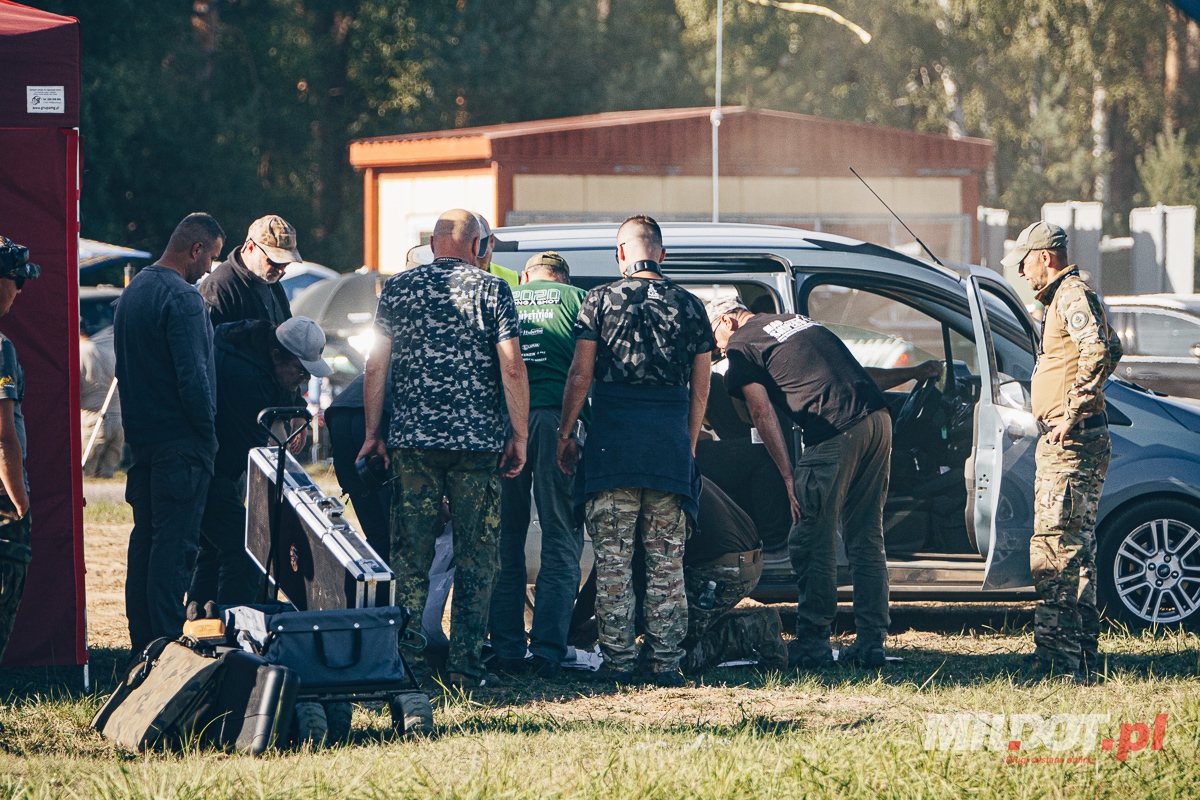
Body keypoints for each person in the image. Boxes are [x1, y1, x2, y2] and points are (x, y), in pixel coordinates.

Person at [706, 296, 940, 669]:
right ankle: (871, 644)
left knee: (812, 538)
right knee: (867, 538)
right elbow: (861, 374)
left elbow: (760, 411)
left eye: (713, 336)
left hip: (835, 431)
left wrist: (787, 475)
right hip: (878, 420)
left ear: (727, 321)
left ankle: (813, 643)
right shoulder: (800, 322)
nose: (716, 347)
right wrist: (912, 373)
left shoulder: (742, 342)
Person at [358, 208, 529, 690]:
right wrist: (519, 434)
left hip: (412, 443)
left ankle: (409, 666)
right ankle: (465, 667)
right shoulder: (493, 290)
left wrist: (373, 433)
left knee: (410, 558)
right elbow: (512, 366)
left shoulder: (397, 289)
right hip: (478, 445)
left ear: (433, 245)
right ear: (478, 246)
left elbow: (376, 365)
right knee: (478, 558)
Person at [557, 215, 713, 687]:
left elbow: (580, 375)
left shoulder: (598, 299)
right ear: (661, 254)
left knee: (613, 564)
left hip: (612, 449)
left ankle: (619, 663)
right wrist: (687, 444)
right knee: (666, 564)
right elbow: (701, 387)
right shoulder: (691, 305)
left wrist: (566, 432)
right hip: (668, 447)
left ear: (621, 253)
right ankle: (665, 664)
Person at [1003, 221, 1122, 681]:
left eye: (1024, 262)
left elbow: (1098, 351)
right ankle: (1080, 656)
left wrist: (1072, 411)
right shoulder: (1068, 297)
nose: (1022, 272)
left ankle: (1057, 661)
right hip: (1074, 439)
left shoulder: (1070, 294)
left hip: (1070, 441)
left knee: (1054, 552)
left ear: (1045, 257)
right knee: (1076, 552)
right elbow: (1113, 347)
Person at [115, 213, 224, 654]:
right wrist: (208, 435)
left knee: (144, 543)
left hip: (143, 441)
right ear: (195, 249)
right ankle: (164, 650)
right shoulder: (183, 298)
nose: (211, 269)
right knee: (174, 549)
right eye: (212, 257)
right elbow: (194, 378)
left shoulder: (133, 291)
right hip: (181, 444)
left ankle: (143, 644)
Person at [567, 478, 788, 675]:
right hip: (738, 559)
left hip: (721, 570)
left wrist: (576, 626)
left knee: (664, 662)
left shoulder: (629, 495)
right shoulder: (661, 471)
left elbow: (612, 570)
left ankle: (755, 630)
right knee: (661, 626)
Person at [187, 317, 332, 608]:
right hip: (203, 468)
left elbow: (282, 383)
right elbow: (253, 452)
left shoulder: (261, 358)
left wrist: (297, 409)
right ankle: (235, 623)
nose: (303, 380)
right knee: (245, 549)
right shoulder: (244, 376)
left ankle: (201, 618)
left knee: (215, 549)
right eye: (301, 371)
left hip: (216, 468)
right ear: (277, 355)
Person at [489, 252, 587, 679]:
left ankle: (506, 649)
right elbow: (587, 368)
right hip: (557, 422)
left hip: (506, 424)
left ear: (527, 276)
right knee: (560, 534)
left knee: (504, 537)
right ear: (563, 278)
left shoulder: (506, 296)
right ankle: (548, 650)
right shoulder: (578, 299)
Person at [0, 236, 39, 659]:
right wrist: (20, 505)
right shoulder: (0, 347)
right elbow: (3, 434)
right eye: (17, 279)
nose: (20, 290)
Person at [200, 214, 300, 327]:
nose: (281, 270)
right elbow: (208, 336)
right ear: (251, 247)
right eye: (275, 262)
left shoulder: (272, 282)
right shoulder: (218, 287)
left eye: (286, 263)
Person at [79, 323, 124, 478]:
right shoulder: (108, 351)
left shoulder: (79, 352)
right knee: (106, 477)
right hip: (118, 421)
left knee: (87, 477)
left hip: (92, 421)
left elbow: (74, 389)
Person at [470, 212, 519, 287]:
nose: (476, 263)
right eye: (468, 255)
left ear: (492, 241)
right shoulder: (451, 278)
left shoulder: (511, 278)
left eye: (481, 254)